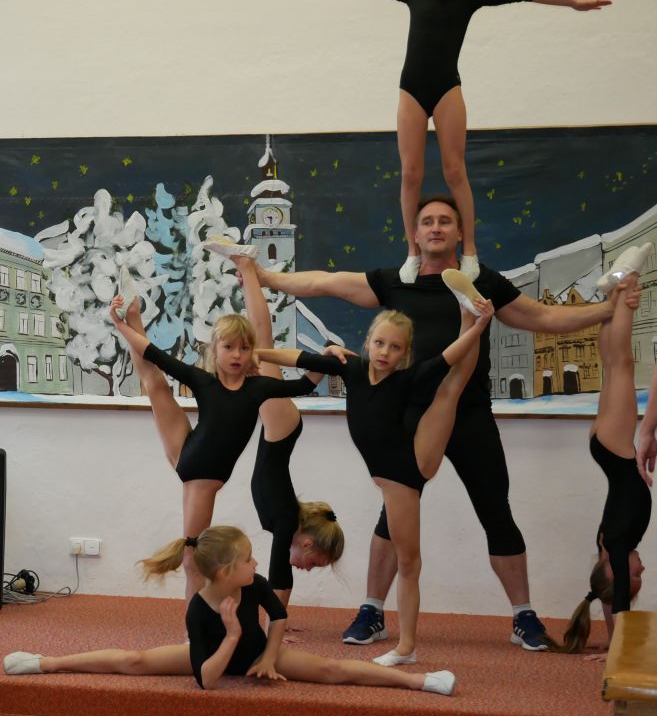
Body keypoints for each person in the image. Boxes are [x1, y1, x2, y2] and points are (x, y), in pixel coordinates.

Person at [254, 194, 633, 652]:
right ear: (415, 234)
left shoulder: (483, 282)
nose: (436, 227)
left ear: (459, 233)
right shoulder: (396, 282)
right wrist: (265, 277)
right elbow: (325, 282)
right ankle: (372, 611)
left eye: (445, 221)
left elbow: (543, 317)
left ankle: (524, 617)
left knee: (496, 511)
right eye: (427, 221)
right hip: (409, 419)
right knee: (391, 518)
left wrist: (607, 310)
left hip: (469, 414)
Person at [302, 0, 611, 283]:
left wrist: (572, 2)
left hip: (447, 89)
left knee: (455, 171)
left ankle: (470, 251)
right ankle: (412, 252)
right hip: (411, 91)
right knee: (411, 173)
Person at [256, 282, 493, 665]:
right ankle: (468, 312)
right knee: (449, 391)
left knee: (409, 561)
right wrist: (257, 354)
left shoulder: (405, 379)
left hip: (405, 473)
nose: (385, 352)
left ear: (404, 353)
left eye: (395, 347)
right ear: (368, 342)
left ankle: (407, 647)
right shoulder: (351, 368)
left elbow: (449, 357)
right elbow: (299, 357)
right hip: (394, 471)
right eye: (380, 343)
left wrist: (479, 327)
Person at [3, 526, 456, 698]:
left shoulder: (254, 584)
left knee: (334, 670)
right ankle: (46, 663)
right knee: (133, 660)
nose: (256, 564)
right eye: (248, 559)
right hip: (217, 657)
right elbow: (206, 680)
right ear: (224, 571)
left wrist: (267, 656)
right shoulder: (199, 612)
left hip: (258, 653)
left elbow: (278, 618)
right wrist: (234, 635)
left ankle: (420, 681)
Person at [109, 274, 320, 602]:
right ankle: (193, 627)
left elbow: (305, 384)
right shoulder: (203, 381)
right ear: (215, 350)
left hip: (191, 453)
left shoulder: (258, 388)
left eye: (245, 348)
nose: (237, 354)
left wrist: (326, 358)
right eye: (229, 347)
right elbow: (153, 354)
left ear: (252, 353)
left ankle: (199, 617)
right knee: (193, 559)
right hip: (200, 476)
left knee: (156, 385)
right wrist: (122, 325)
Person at [226, 252, 345, 605]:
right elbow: (281, 574)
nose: (307, 568)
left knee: (258, 352)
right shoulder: (286, 522)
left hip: (281, 429)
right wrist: (277, 622)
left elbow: (280, 572)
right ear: (307, 543)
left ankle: (249, 279)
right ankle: (247, 268)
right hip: (282, 429)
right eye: (314, 563)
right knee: (261, 346)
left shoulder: (287, 522)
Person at [546, 271, 650, 658]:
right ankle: (613, 296)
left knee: (621, 364)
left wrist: (617, 653)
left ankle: (624, 285)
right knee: (611, 364)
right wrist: (610, 637)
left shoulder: (618, 547)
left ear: (612, 566)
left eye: (635, 573)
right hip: (604, 448)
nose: (641, 569)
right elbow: (609, 596)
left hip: (617, 449)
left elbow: (618, 597)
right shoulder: (605, 545)